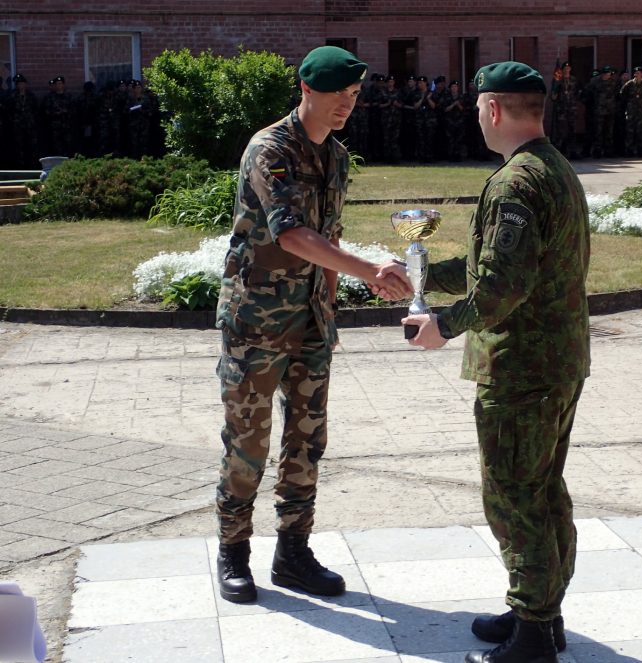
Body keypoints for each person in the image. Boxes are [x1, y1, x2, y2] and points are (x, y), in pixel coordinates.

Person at [396, 61, 590, 663]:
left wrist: (442, 326)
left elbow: (502, 289)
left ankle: (533, 637)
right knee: (542, 490)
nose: (476, 115)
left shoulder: (514, 184)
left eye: (479, 106)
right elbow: (499, 267)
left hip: (521, 368)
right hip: (555, 362)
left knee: (515, 497)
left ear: (495, 110)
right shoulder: (551, 168)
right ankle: (539, 611)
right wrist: (420, 274)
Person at [213, 45, 411, 605]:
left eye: (352, 96)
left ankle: (293, 553)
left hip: (311, 322)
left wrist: (330, 304)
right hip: (256, 322)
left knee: (307, 440)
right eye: (335, 95)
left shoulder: (337, 157)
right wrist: (371, 269)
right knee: (248, 443)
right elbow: (293, 235)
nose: (346, 105)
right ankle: (233, 552)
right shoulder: (271, 149)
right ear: (305, 89)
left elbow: (330, 237)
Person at [549, 61, 578, 159]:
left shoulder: (574, 80)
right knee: (561, 131)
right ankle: (560, 151)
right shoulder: (558, 80)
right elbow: (553, 95)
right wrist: (554, 94)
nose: (567, 70)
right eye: (565, 69)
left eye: (568, 68)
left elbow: (578, 92)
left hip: (571, 108)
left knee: (572, 130)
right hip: (561, 108)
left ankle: (572, 151)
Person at [621, 66, 642, 157]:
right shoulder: (629, 84)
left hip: (641, 110)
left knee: (641, 131)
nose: (637, 74)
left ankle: (641, 150)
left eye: (639, 73)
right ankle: (629, 150)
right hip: (631, 110)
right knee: (630, 131)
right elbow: (622, 94)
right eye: (636, 73)